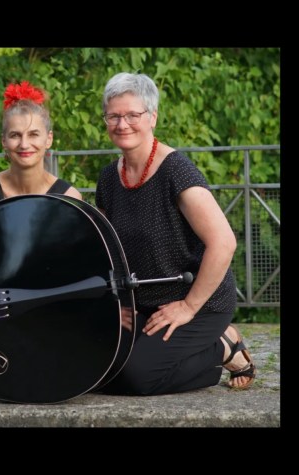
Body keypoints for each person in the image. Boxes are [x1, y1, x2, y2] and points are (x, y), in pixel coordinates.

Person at [94, 72, 255, 395]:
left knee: (135, 377)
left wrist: (189, 307)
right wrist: (116, 303)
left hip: (198, 302)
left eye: (132, 115)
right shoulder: (109, 178)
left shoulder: (175, 171)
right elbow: (109, 250)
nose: (122, 124)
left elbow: (224, 243)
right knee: (95, 369)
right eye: (114, 116)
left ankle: (223, 346)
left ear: (152, 117)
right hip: (144, 304)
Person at [0, 81, 82, 213]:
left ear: (49, 139)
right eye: (15, 135)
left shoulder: (69, 197)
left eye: (33, 134)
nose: (24, 144)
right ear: (3, 141)